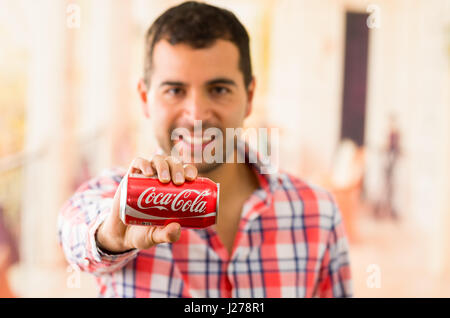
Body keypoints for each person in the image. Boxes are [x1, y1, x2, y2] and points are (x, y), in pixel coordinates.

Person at [58, 1, 352, 298]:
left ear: (249, 97)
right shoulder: (117, 196)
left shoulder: (320, 213)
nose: (197, 115)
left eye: (219, 89)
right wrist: (109, 237)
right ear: (145, 98)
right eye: (175, 90)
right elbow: (72, 229)